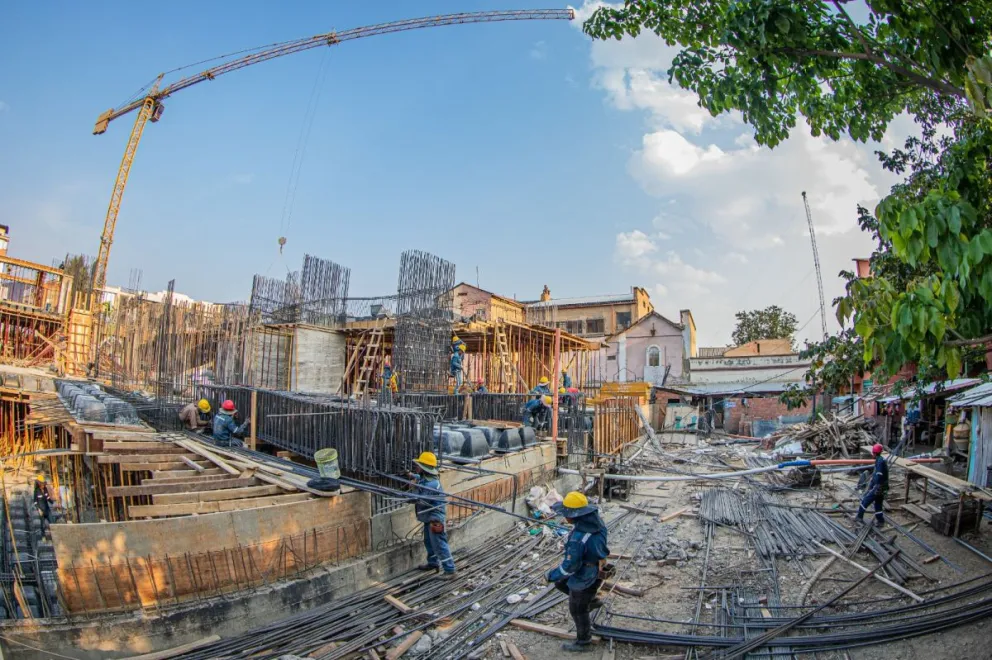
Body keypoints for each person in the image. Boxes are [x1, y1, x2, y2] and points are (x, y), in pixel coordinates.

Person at [546, 491, 610, 652]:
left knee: (577, 608)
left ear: (574, 516)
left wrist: (550, 576)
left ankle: (584, 641)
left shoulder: (578, 538)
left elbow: (570, 566)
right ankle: (591, 600)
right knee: (561, 583)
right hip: (598, 565)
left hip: (586, 574)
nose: (564, 517)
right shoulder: (597, 524)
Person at [407, 452, 456, 578]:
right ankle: (433, 563)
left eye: (418, 465)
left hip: (435, 519)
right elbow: (419, 478)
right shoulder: (426, 478)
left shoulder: (431, 485)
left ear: (424, 467)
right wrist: (412, 475)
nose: (416, 466)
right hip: (428, 517)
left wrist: (412, 491)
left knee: (439, 544)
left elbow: (420, 500)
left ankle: (450, 570)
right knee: (429, 542)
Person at [856, 443, 889, 528]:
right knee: (878, 504)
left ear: (874, 453)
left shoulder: (880, 462)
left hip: (879, 487)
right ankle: (881, 521)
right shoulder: (880, 460)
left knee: (865, 501)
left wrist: (874, 487)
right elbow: (877, 476)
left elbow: (878, 476)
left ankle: (859, 517)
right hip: (882, 487)